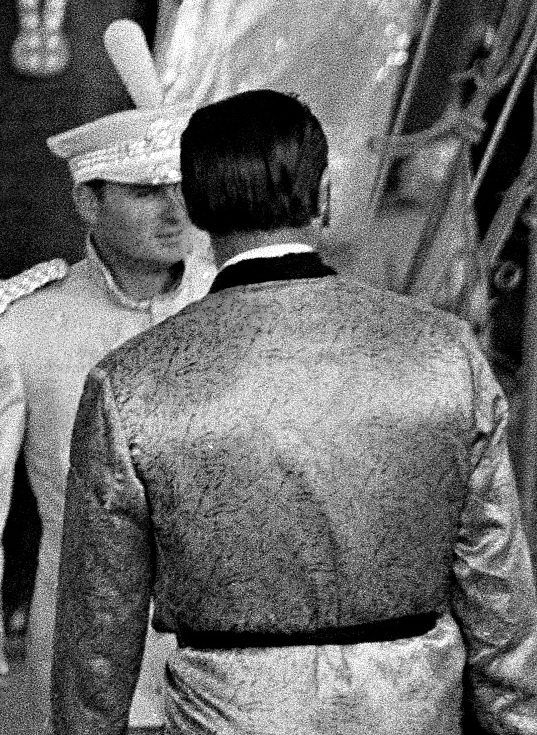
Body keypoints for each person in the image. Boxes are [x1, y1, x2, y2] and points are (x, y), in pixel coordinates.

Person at [53, 89, 537, 734]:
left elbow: (100, 620)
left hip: (229, 709)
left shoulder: (130, 381)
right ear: (324, 195)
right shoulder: (444, 351)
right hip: (410, 706)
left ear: (196, 207)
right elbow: (494, 573)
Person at [0, 19, 208, 728]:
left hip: (230, 642)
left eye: (182, 187)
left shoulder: (233, 304)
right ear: (89, 201)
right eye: (146, 192)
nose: (174, 210)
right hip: (91, 640)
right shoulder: (18, 325)